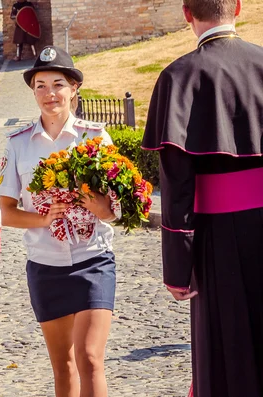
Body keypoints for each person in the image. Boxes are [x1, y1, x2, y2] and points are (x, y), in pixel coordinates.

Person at [142, 0, 263, 395]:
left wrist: (177, 269)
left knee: (227, 346)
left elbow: (177, 186)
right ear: (239, 8)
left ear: (186, 14)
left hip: (218, 237)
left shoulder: (178, 76)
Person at [0, 46, 118, 397]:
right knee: (63, 366)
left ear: (74, 89)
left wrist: (99, 207)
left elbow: (116, 208)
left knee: (90, 357)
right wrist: (43, 216)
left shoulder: (95, 137)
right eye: (41, 85)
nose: (50, 94)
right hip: (45, 267)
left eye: (58, 84)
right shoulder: (18, 144)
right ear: (33, 91)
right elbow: (5, 211)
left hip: (93, 261)